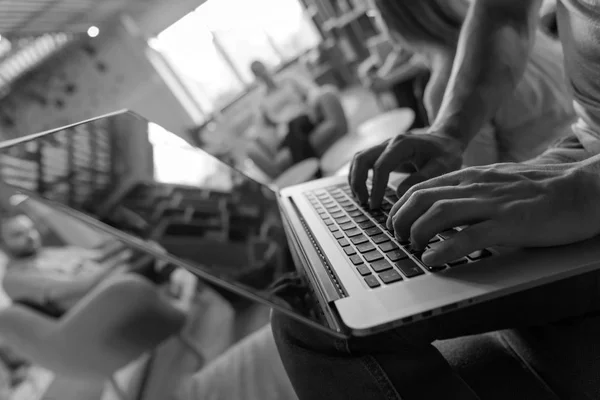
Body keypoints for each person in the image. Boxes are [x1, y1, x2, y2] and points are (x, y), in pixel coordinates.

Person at [272, 0, 600, 399]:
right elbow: (504, 12)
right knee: (314, 293)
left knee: (307, 319)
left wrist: (587, 186)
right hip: (582, 146)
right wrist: (449, 131)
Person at [360, 0, 575, 182]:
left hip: (551, 189)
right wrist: (432, 134)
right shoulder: (520, 31)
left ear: (393, 21)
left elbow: (480, 182)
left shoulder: (445, 89)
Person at [249, 60, 319, 166]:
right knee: (293, 134)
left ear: (267, 66)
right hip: (285, 133)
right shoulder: (261, 99)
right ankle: (313, 168)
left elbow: (312, 90)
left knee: (294, 127)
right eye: (257, 73)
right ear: (255, 77)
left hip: (303, 119)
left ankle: (310, 171)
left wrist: (312, 107)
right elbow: (260, 125)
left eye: (262, 69)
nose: (262, 74)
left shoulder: (288, 79)